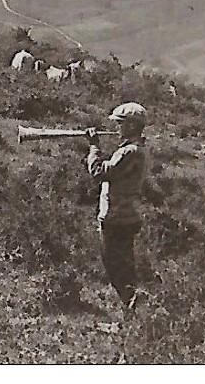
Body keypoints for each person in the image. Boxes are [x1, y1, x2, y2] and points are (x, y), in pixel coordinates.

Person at [85, 102, 149, 309]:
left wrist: (94, 146)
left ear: (131, 126)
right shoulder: (133, 150)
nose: (116, 128)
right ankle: (134, 311)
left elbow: (100, 172)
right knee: (121, 268)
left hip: (118, 218)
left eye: (120, 124)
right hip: (123, 216)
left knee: (118, 270)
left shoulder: (130, 152)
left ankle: (135, 312)